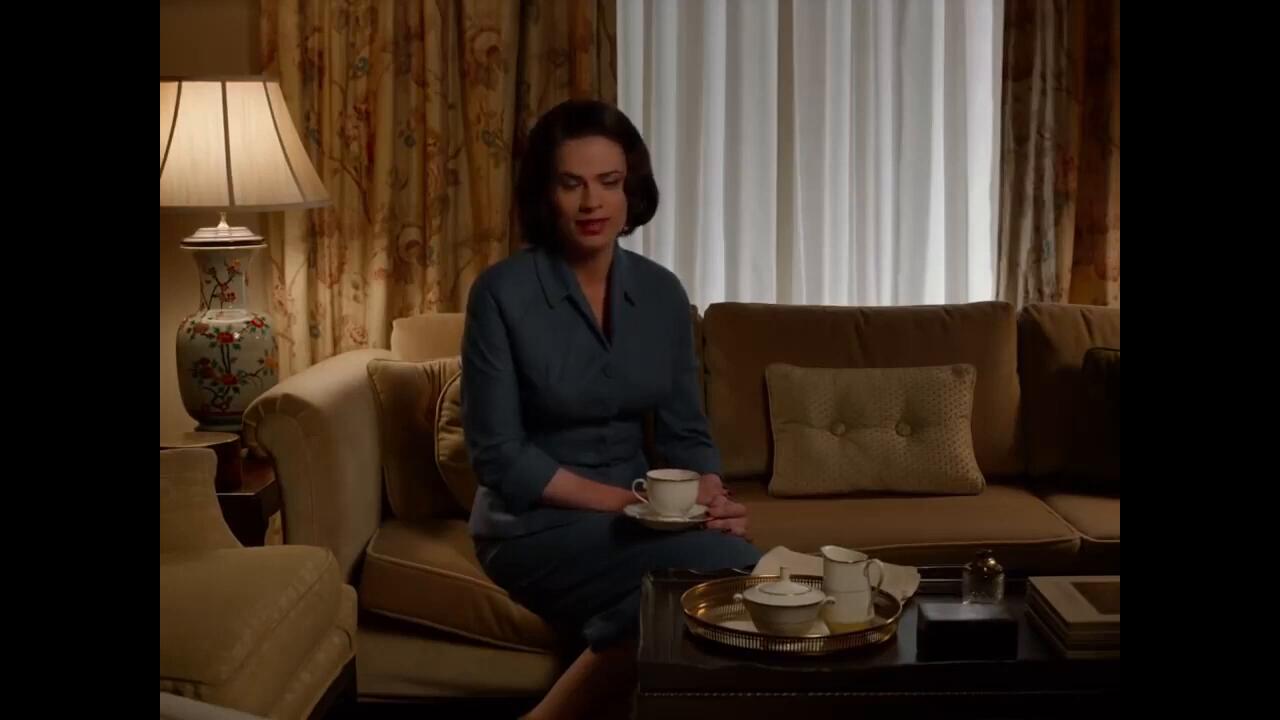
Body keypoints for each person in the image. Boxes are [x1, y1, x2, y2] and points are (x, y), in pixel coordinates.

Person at [462, 99, 761, 719]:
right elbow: (499, 458)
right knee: (727, 569)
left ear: (631, 190)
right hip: (530, 527)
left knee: (727, 562)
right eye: (571, 183)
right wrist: (635, 504)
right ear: (546, 193)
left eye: (609, 181)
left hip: (641, 519)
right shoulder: (500, 293)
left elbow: (686, 432)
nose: (592, 203)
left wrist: (709, 495)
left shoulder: (662, 292)